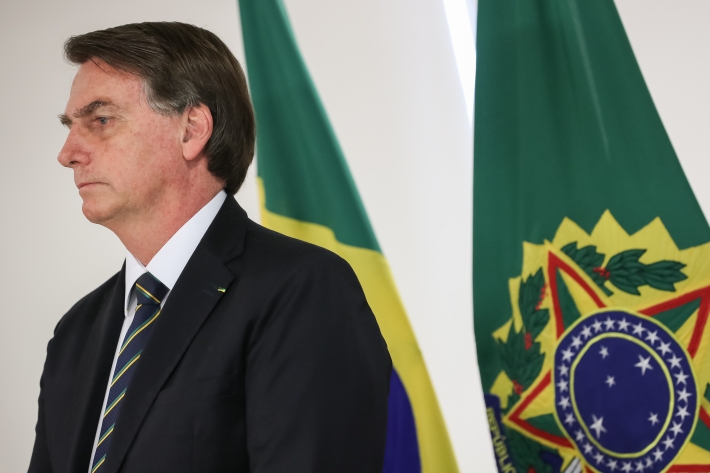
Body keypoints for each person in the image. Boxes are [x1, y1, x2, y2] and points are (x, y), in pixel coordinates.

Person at [28, 22, 391, 473]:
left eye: (101, 120)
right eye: (70, 127)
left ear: (192, 130)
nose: (67, 153)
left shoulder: (301, 290)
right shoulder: (75, 333)